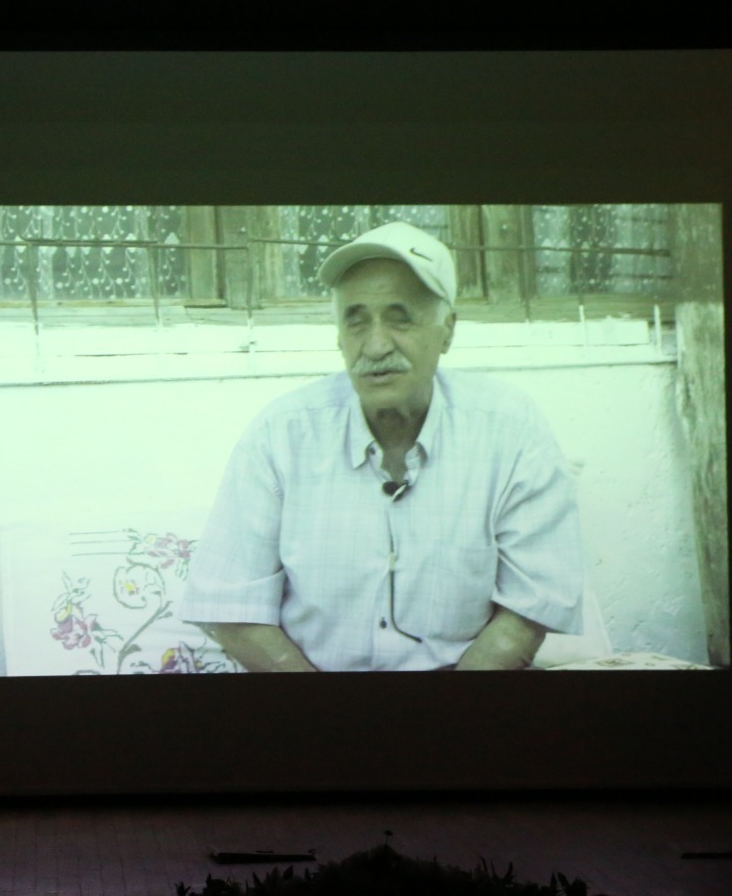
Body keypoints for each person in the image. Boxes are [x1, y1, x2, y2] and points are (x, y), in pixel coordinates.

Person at [179, 221, 584, 672]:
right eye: (356, 321)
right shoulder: (282, 434)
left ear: (447, 330)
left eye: (400, 318)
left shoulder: (509, 430)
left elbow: (532, 606)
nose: (374, 346)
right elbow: (229, 607)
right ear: (339, 337)